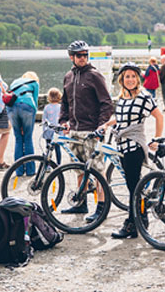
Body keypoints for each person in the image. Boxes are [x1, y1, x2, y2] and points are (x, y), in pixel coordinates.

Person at [99, 62, 163, 238]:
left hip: (134, 145)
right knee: (134, 185)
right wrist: (106, 124)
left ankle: (131, 225)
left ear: (138, 79)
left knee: (133, 187)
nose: (130, 79)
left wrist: (156, 139)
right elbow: (121, 118)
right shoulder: (122, 99)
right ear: (121, 79)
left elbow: (159, 116)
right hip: (122, 146)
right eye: (127, 76)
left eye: (133, 76)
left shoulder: (143, 98)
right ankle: (141, 219)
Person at [59, 40, 113, 222]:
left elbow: (107, 103)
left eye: (85, 55)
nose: (83, 58)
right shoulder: (68, 76)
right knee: (79, 169)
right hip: (74, 130)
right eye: (79, 55)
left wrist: (101, 125)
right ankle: (81, 203)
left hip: (91, 130)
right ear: (71, 57)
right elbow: (65, 102)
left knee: (98, 170)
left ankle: (102, 207)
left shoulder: (94, 76)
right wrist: (63, 121)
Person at [6, 71, 39, 176]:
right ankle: (30, 170)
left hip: (11, 108)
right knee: (28, 138)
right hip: (27, 107)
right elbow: (35, 100)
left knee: (18, 138)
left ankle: (19, 171)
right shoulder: (34, 83)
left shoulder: (15, 82)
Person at [42, 87, 62, 165]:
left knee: (48, 149)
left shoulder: (46, 107)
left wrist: (44, 131)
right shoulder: (61, 107)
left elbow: (44, 120)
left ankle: (48, 165)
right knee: (57, 149)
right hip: (57, 131)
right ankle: (58, 164)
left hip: (48, 131)